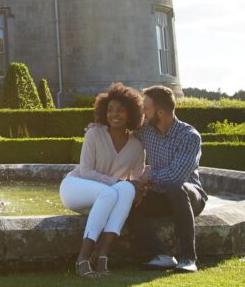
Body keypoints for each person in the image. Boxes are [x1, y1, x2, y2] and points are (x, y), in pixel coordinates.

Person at [60, 83, 146, 277]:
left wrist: (139, 187)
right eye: (110, 110)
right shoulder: (94, 133)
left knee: (128, 190)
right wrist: (116, 183)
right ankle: (82, 258)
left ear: (131, 113)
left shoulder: (137, 145)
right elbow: (86, 171)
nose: (114, 114)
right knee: (114, 190)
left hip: (107, 197)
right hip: (75, 188)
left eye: (121, 110)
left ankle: (101, 255)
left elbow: (137, 177)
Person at [128, 85, 207, 273]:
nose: (143, 113)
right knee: (126, 203)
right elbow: (121, 126)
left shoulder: (189, 136)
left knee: (175, 187)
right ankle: (162, 255)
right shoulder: (146, 130)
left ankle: (188, 258)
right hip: (161, 195)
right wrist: (98, 126)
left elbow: (176, 176)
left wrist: (147, 177)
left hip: (189, 195)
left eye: (146, 109)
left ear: (160, 112)